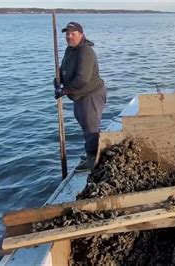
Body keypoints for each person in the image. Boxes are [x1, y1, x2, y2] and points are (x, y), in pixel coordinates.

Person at [54, 22, 107, 172]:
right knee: (85, 124)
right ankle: (92, 152)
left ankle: (93, 161)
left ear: (81, 35)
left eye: (73, 34)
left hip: (91, 94)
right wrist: (57, 82)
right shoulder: (70, 50)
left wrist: (65, 90)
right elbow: (63, 69)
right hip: (78, 95)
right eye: (67, 34)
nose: (69, 36)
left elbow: (83, 78)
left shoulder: (86, 52)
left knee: (91, 128)